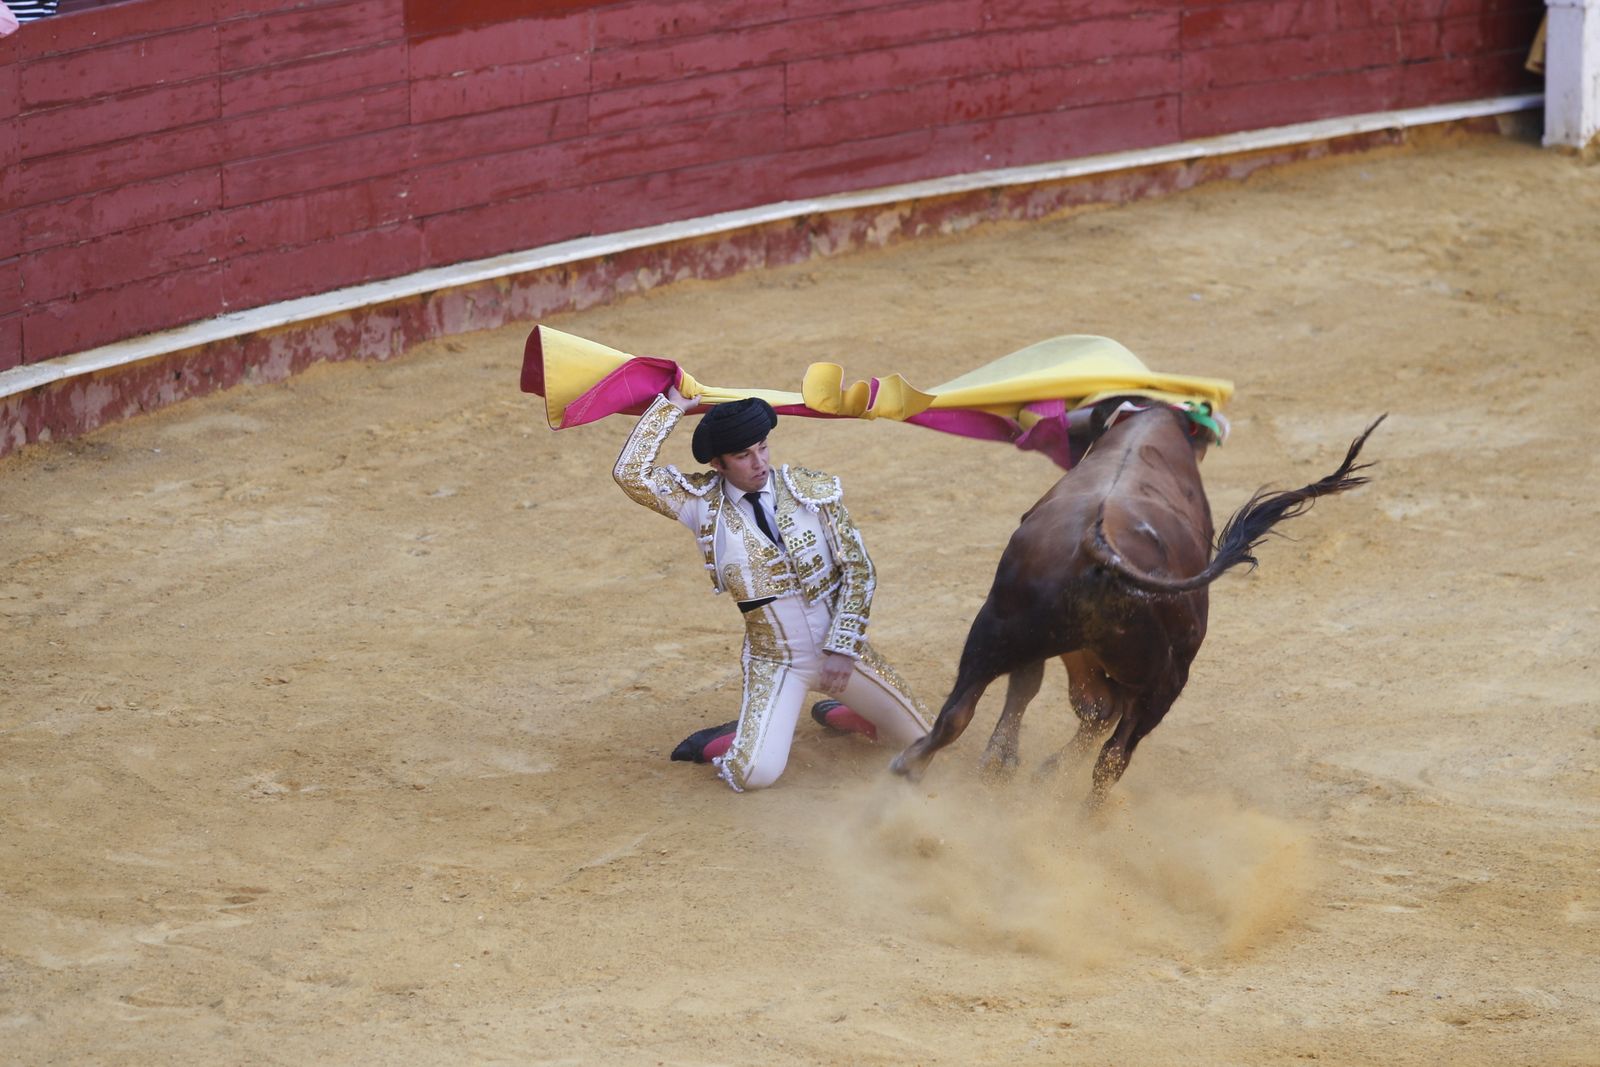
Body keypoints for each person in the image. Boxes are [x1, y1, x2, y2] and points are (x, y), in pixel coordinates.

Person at [613, 384, 930, 792]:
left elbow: (859, 569)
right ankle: (730, 739)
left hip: (840, 652)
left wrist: (843, 647)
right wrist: (671, 408)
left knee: (928, 740)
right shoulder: (700, 505)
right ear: (718, 463)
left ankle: (845, 714)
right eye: (743, 455)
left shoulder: (809, 490)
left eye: (762, 447)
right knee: (754, 775)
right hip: (775, 661)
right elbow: (630, 474)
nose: (759, 462)